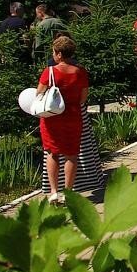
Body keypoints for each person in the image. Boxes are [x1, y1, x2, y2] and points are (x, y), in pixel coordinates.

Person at [37, 36, 89, 204]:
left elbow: (39, 94)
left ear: (59, 54)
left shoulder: (49, 72)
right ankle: (68, 191)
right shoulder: (80, 72)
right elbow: (83, 98)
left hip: (52, 119)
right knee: (71, 155)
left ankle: (53, 192)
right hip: (73, 117)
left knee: (52, 153)